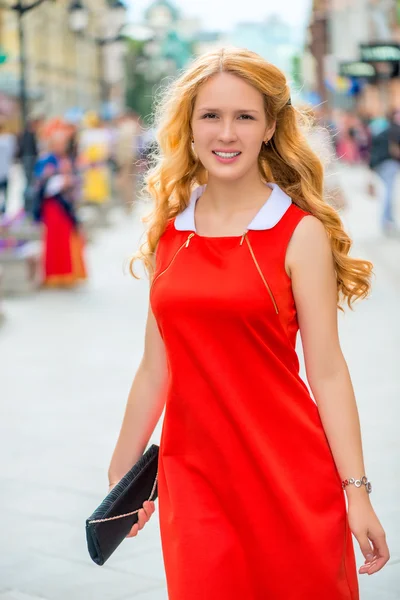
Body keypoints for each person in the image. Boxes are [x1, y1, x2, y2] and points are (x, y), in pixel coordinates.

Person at [107, 48, 389, 599]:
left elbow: (327, 371)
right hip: (195, 479)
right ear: (188, 127)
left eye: (245, 116)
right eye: (211, 115)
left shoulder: (299, 233)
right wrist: (122, 472)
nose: (226, 132)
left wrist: (356, 489)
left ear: (269, 129)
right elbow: (154, 367)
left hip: (290, 473)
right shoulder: (171, 232)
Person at [33, 131, 87, 287]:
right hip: (53, 206)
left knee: (68, 239)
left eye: (62, 143)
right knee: (54, 240)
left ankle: (70, 274)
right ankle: (54, 275)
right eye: (57, 143)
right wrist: (58, 182)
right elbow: (40, 184)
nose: (61, 146)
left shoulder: (66, 159)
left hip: (67, 206)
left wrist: (71, 182)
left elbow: (76, 180)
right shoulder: (46, 160)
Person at [368, 111, 400, 234]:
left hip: (379, 163)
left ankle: (389, 218)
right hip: (388, 163)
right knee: (388, 191)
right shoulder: (395, 130)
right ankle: (385, 219)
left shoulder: (384, 129)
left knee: (388, 191)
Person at [0, 121, 16, 216]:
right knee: (5, 192)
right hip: (5, 169)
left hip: (4, 169)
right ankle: (3, 209)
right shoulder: (9, 139)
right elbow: (12, 153)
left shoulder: (8, 139)